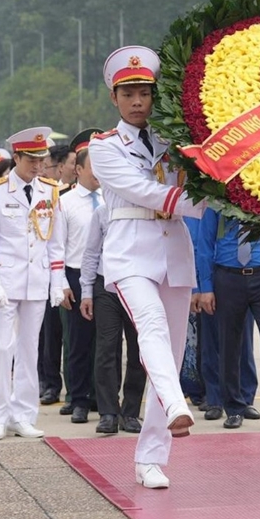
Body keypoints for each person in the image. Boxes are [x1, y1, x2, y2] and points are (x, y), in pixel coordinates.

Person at [88, 45, 206, 490]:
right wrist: (205, 201)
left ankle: (150, 458)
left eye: (145, 92)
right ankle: (177, 405)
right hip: (129, 253)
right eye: (129, 93)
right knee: (151, 328)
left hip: (174, 251)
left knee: (171, 354)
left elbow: (201, 176)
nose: (138, 101)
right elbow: (146, 192)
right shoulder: (104, 147)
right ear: (114, 99)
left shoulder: (174, 140)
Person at [0, 126, 71, 441]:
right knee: (3, 348)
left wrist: (58, 282)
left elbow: (56, 243)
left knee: (31, 350)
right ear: (17, 157)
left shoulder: (50, 190)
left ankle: (23, 415)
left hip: (36, 281)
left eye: (42, 159)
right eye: (31, 159)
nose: (38, 166)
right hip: (4, 280)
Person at [195, 211, 260, 430]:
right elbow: (204, 245)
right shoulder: (216, 203)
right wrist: (205, 287)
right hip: (227, 276)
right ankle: (234, 408)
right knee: (229, 344)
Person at [80, 160, 146, 435]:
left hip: (137, 288)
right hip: (106, 288)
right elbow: (91, 253)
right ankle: (108, 412)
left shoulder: (144, 212)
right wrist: (86, 292)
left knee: (139, 351)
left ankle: (130, 412)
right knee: (107, 349)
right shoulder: (103, 213)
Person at [57, 129, 104, 425]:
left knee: (106, 342)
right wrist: (61, 283)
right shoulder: (65, 202)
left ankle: (103, 396)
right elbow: (56, 247)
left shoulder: (110, 199)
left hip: (104, 276)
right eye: (94, 166)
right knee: (78, 343)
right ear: (78, 170)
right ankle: (78, 398)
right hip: (74, 276)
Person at [38, 142, 75, 406]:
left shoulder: (91, 195)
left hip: (76, 269)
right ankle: (50, 383)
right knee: (49, 333)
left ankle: (78, 389)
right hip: (51, 271)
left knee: (74, 337)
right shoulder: (49, 196)